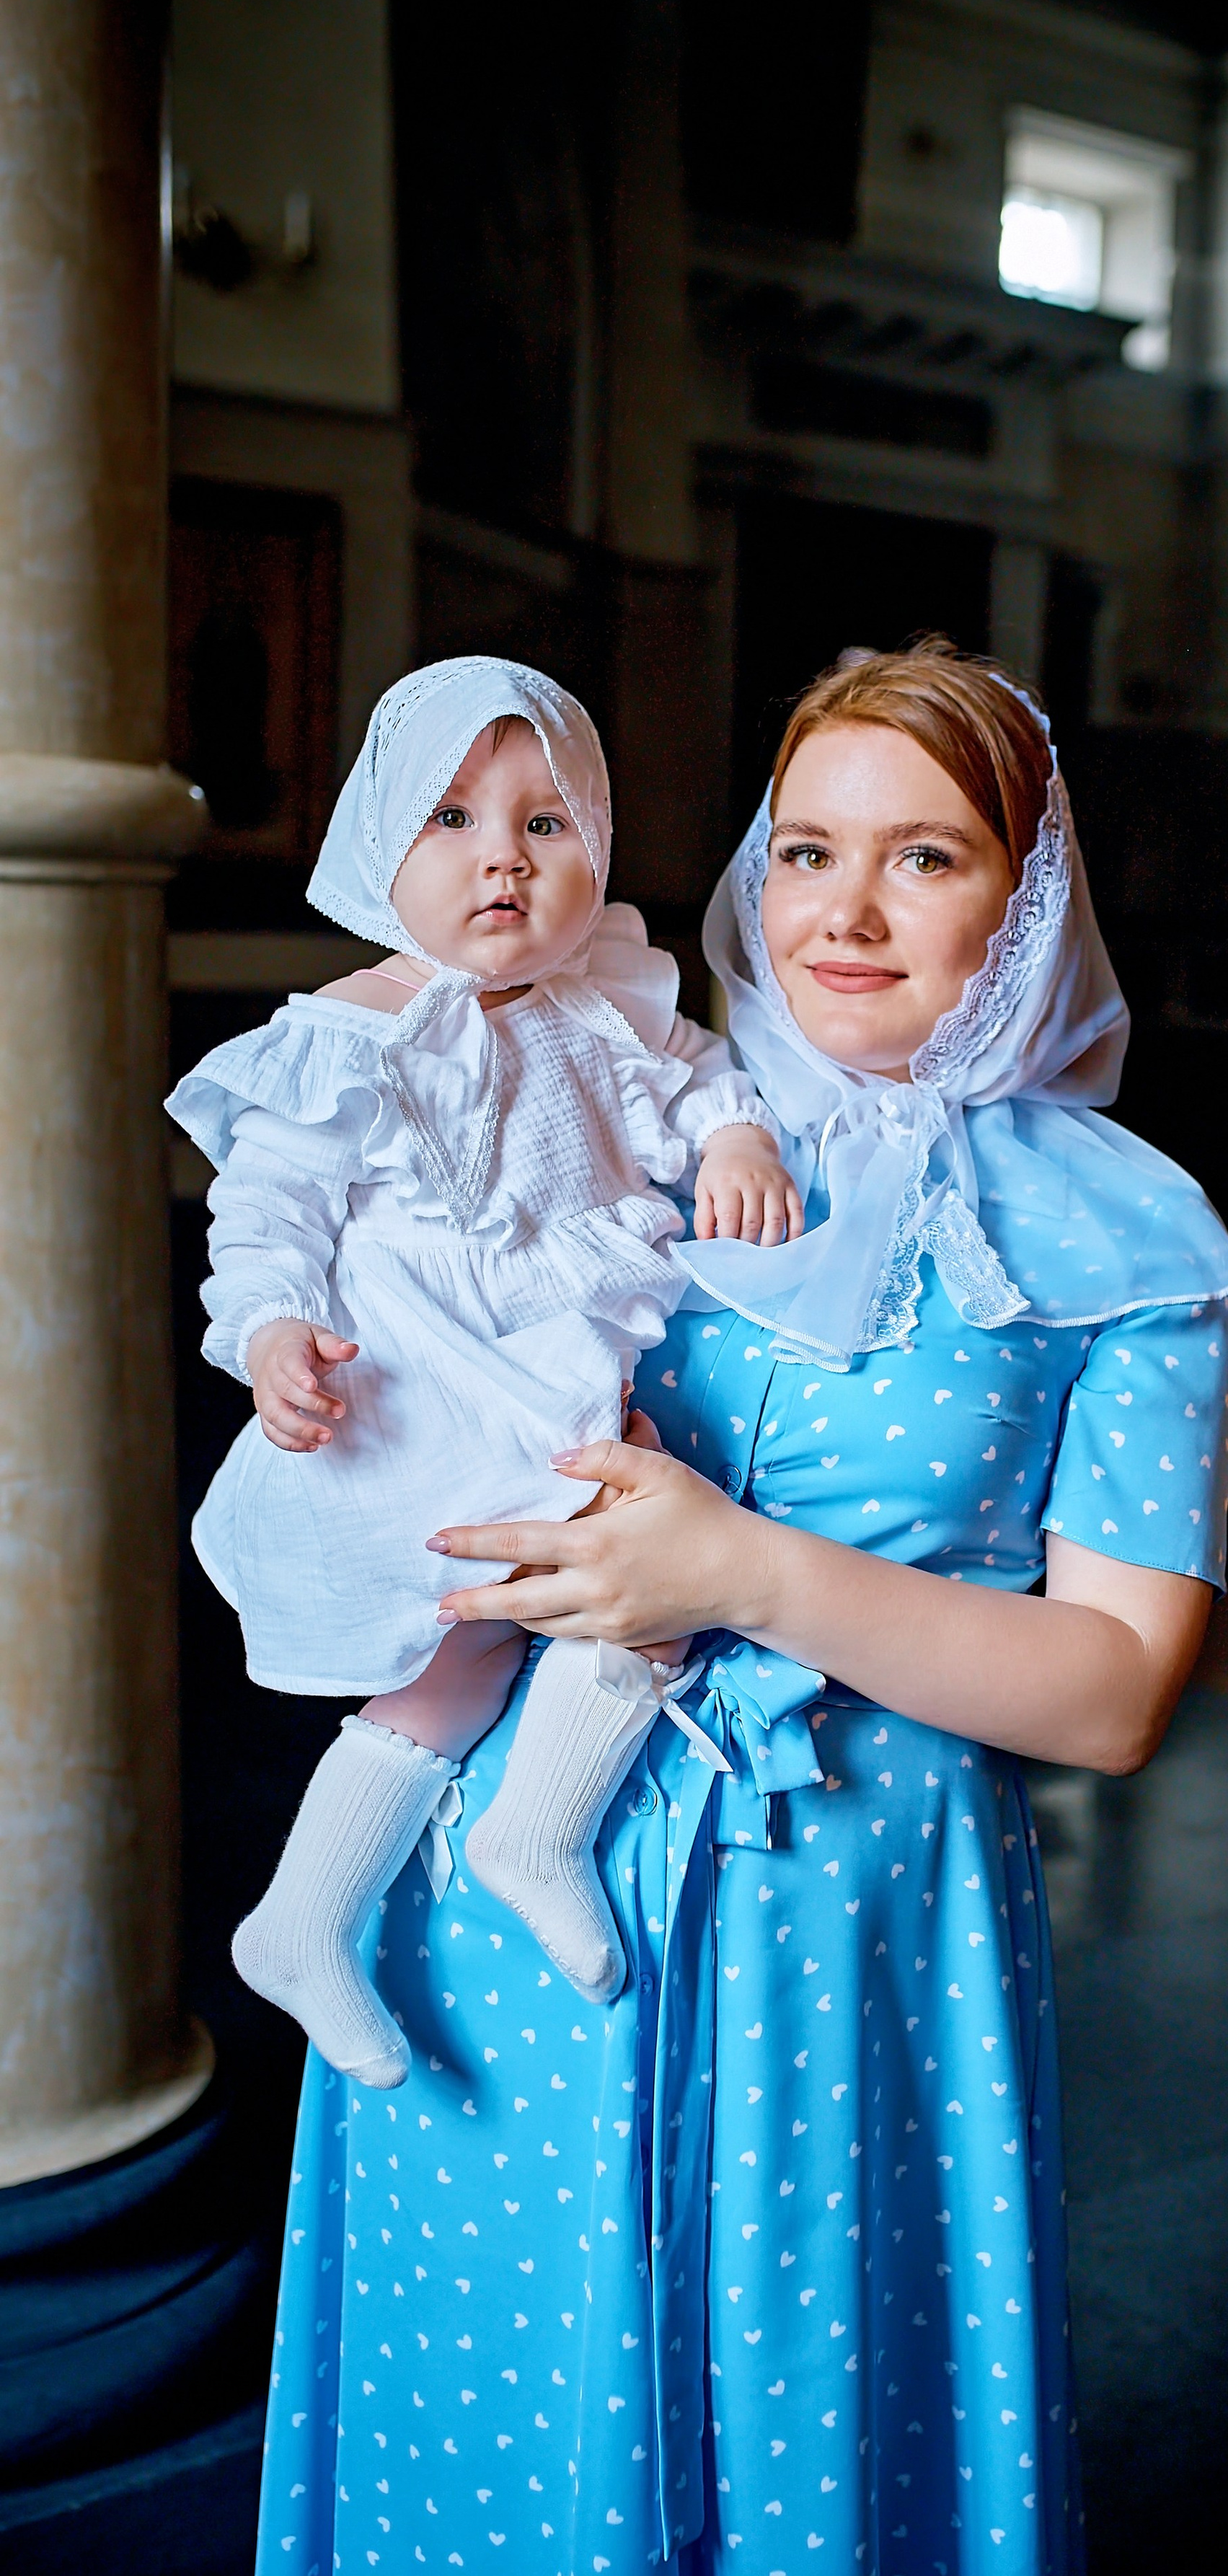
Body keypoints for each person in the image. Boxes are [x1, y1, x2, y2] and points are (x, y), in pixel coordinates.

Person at [244, 640, 1228, 2576]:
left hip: (852, 1944)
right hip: (508, 1926)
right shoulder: (635, 1106)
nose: (845, 915)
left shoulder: (1132, 1244)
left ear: (1030, 893)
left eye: (926, 857)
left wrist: (746, 1571)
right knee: (501, 2475)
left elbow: (1110, 1695)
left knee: (816, 2475)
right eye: (807, 851)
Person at [169, 658, 800, 2089]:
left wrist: (737, 1146)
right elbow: (268, 1215)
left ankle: (532, 1832)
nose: (503, 861)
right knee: (444, 1669)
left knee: (635, 1587)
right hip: (410, 1391)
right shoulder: (340, 1033)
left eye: (547, 823)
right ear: (379, 840)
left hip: (554, 1373)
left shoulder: (611, 1007)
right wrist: (272, 1334)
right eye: (452, 819)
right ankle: (309, 1914)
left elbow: (708, 1085)